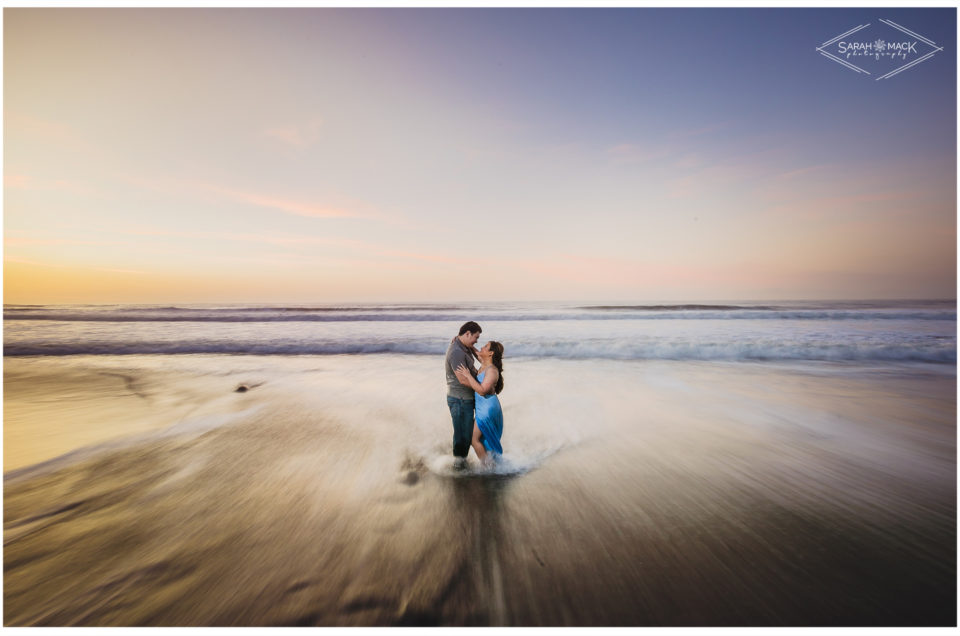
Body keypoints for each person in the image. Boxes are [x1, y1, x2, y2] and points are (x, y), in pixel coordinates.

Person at [455, 341, 504, 463]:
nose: (481, 347)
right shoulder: (484, 364)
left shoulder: (492, 371)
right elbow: (475, 351)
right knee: (481, 439)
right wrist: (460, 340)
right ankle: (492, 465)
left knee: (473, 439)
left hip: (488, 408)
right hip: (482, 406)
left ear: (491, 353)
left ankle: (487, 468)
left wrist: (468, 375)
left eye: (485, 346)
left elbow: (482, 391)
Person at [445, 321, 482, 463]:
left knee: (467, 435)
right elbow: (463, 380)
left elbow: (476, 354)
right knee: (462, 437)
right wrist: (483, 389)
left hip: (465, 399)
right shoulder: (457, 352)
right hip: (460, 400)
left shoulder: (464, 346)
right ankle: (459, 468)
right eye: (475, 337)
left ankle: (461, 463)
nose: (476, 341)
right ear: (467, 333)